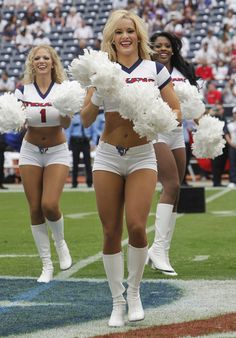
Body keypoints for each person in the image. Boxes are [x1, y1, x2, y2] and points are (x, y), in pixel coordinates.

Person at [80, 10, 181, 327]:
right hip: (108, 155)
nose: (125, 36)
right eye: (119, 32)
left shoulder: (155, 69)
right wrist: (96, 93)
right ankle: (117, 302)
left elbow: (175, 109)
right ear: (111, 38)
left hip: (142, 156)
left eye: (130, 31)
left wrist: (159, 119)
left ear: (138, 35)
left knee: (137, 226)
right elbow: (84, 119)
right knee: (111, 231)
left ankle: (134, 292)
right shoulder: (103, 70)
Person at [14, 44, 72, 283]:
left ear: (53, 62)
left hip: (57, 151)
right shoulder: (22, 90)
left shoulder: (63, 90)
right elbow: (17, 123)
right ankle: (46, 265)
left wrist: (66, 110)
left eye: (45, 57)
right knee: (35, 208)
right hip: (30, 151)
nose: (41, 61)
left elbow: (67, 124)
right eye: (37, 58)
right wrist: (14, 119)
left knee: (49, 204)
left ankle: (61, 243)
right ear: (32, 63)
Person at [147, 31, 199, 276]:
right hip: (156, 132)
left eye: (167, 46)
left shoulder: (183, 72)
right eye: (158, 46)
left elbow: (193, 104)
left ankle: (162, 252)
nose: (163, 49)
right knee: (170, 184)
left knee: (176, 191)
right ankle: (157, 249)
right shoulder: (146, 70)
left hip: (177, 133)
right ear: (151, 48)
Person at [66, 113, 97, 188]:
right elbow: (68, 131)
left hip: (86, 142)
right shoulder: (74, 117)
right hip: (75, 142)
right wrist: (67, 143)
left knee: (88, 163)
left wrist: (93, 143)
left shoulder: (88, 117)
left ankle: (89, 182)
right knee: (75, 163)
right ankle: (74, 183)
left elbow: (94, 131)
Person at [224, 107, 236, 188]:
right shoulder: (229, 124)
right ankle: (233, 180)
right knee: (233, 164)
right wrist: (231, 143)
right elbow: (226, 134)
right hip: (232, 146)